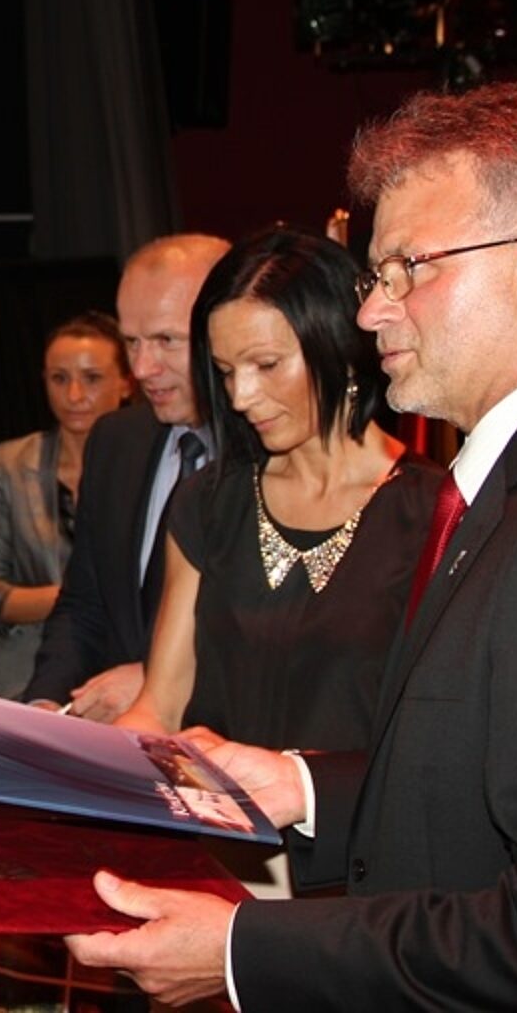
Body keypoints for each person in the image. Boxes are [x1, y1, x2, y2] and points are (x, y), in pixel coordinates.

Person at [65, 81, 517, 1009]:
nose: (373, 311)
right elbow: (486, 794)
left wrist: (246, 948)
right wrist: (300, 786)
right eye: (378, 275)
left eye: (409, 267)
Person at [114, 225, 442, 750]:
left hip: (350, 806)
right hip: (213, 803)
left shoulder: (433, 515)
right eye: (225, 371)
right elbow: (162, 705)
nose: (241, 396)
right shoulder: (209, 502)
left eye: (266, 365)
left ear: (339, 348)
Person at [23, 234, 230, 719]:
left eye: (166, 341)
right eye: (132, 342)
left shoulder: (273, 458)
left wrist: (156, 679)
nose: (141, 368)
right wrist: (44, 705)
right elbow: (84, 605)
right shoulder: (115, 441)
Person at [0, 311, 134, 697]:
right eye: (59, 378)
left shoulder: (153, 466)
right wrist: (79, 599)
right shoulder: (9, 465)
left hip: (127, 676)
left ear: (127, 383)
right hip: (27, 673)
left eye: (92, 378)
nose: (74, 395)